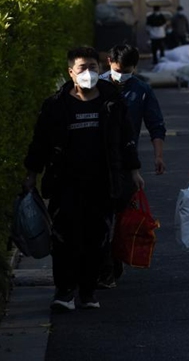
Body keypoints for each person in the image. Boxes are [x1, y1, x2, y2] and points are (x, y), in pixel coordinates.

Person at [23, 46, 144, 311]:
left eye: (93, 67)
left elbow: (126, 138)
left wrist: (134, 171)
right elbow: (40, 143)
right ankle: (65, 292)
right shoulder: (56, 106)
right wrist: (31, 174)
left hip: (103, 182)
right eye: (82, 68)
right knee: (65, 239)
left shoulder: (112, 102)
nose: (88, 72)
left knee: (96, 239)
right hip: (65, 183)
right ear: (71, 72)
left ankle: (88, 292)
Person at [97, 44, 167, 288]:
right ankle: (103, 265)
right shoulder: (96, 86)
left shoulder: (141, 90)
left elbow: (156, 124)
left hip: (126, 163)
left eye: (127, 72)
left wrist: (158, 156)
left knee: (120, 216)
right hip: (96, 161)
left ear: (135, 68)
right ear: (109, 62)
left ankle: (112, 261)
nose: (122, 76)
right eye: (118, 70)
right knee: (99, 217)